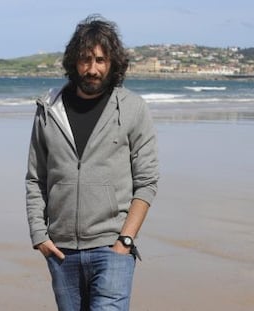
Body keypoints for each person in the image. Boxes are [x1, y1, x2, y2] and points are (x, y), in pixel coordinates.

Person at [25, 14, 159, 311]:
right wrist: (39, 235)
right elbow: (36, 178)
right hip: (61, 252)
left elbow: (147, 181)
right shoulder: (49, 109)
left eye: (100, 60)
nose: (93, 69)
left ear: (113, 63)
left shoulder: (133, 109)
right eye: (85, 59)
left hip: (111, 248)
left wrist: (124, 241)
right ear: (74, 62)